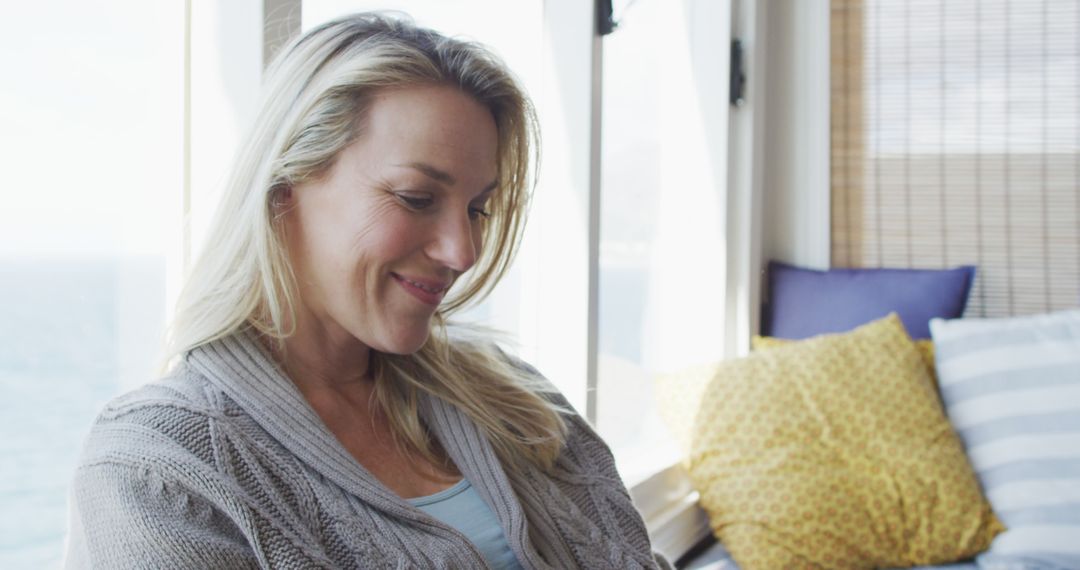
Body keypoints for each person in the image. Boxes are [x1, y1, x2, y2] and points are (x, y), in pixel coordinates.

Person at [65, 12, 670, 569]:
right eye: (416, 198)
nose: (462, 252)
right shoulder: (158, 469)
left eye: (479, 209)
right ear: (284, 188)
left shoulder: (516, 401)